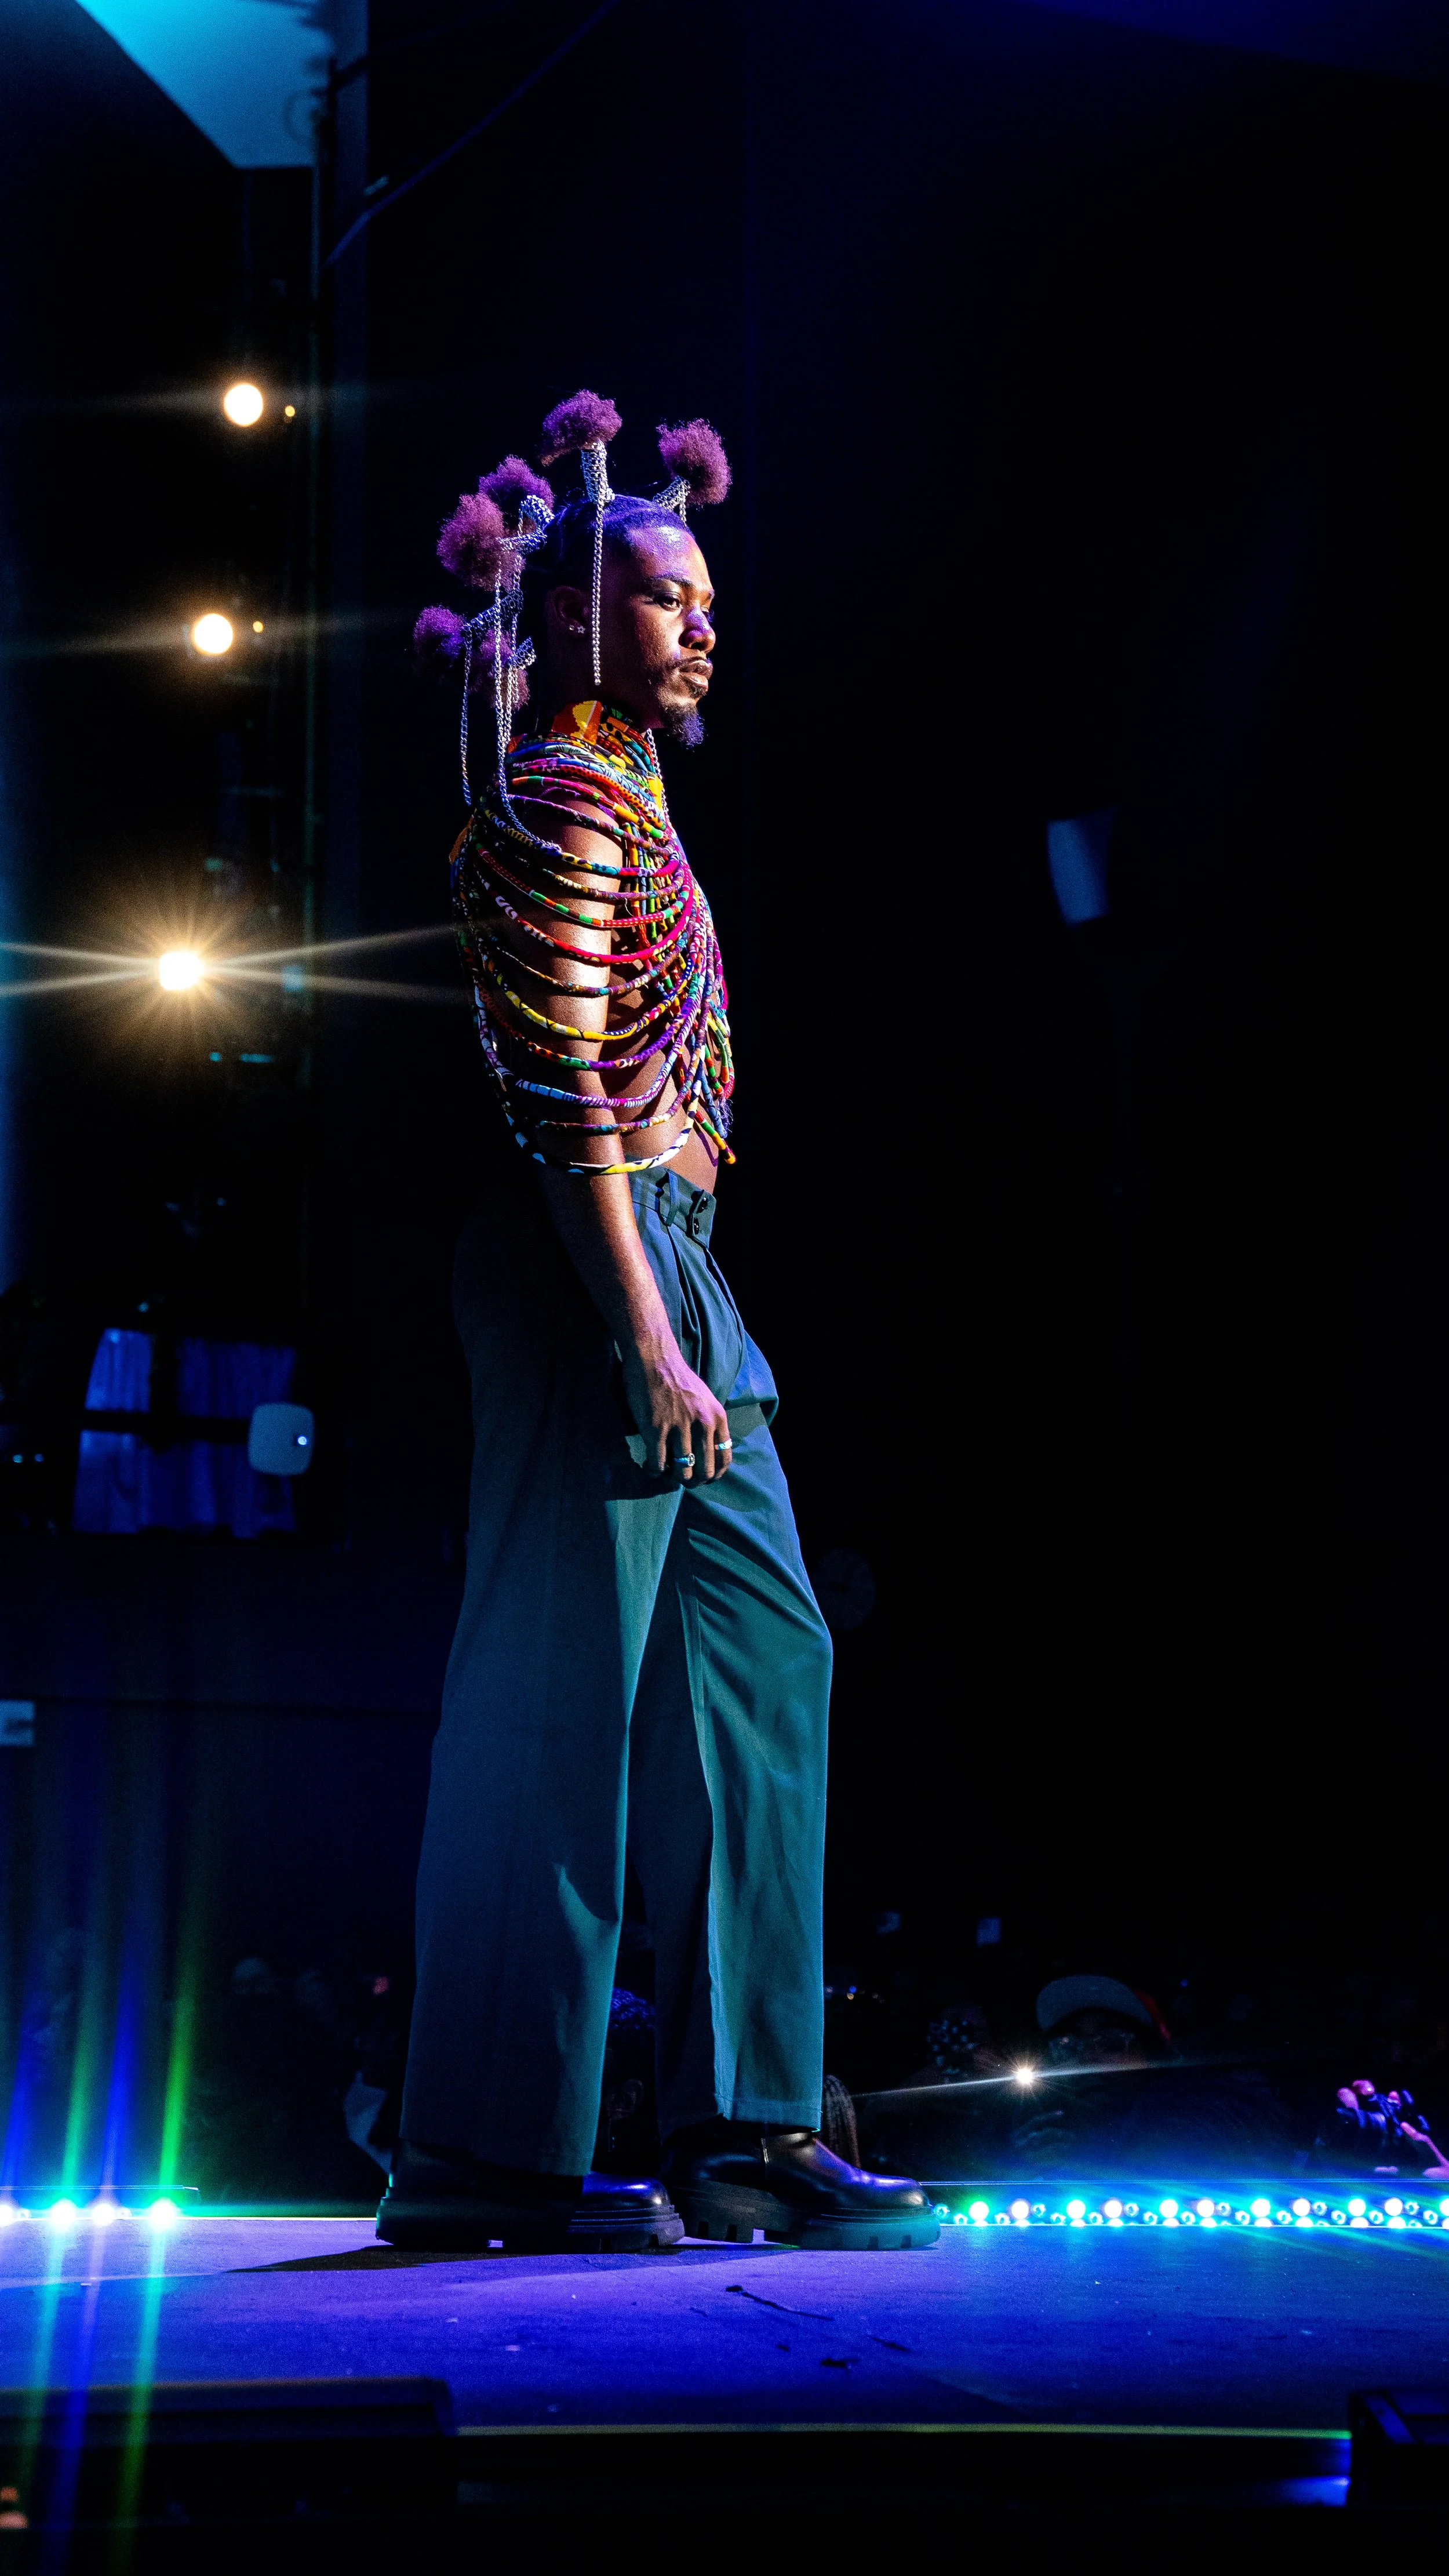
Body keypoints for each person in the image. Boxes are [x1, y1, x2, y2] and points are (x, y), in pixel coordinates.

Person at [377, 391, 936, 2254]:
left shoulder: (626, 792)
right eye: (671, 595)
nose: (708, 621)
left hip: (667, 1257)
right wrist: (641, 1330)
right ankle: (483, 2149)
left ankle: (748, 2124)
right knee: (557, 1694)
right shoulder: (551, 792)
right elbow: (559, 1086)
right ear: (567, 622)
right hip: (587, 1257)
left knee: (765, 1661)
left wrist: (677, 1310)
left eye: (707, 594)